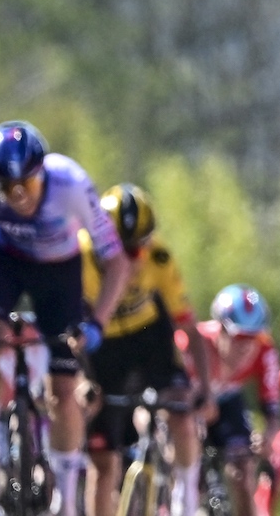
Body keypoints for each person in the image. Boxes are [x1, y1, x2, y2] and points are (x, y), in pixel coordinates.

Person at [0, 121, 130, 516]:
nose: (20, 196)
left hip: (59, 273)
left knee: (63, 388)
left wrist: (98, 323)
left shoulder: (70, 183)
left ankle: (65, 500)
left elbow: (117, 263)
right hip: (4, 262)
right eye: (8, 188)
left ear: (43, 172)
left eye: (29, 184)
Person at [80, 183, 212, 516]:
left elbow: (188, 327)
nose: (134, 259)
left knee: (181, 412)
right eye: (125, 250)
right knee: (102, 458)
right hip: (102, 349)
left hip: (149, 337)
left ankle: (186, 500)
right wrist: (83, 380)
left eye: (140, 247)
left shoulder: (160, 258)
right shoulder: (79, 257)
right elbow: (69, 331)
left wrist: (204, 389)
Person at [181, 285, 280, 516]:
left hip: (228, 403)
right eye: (239, 337)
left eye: (253, 338)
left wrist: (269, 435)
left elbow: (272, 405)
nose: (246, 347)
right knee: (181, 453)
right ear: (220, 330)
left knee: (242, 472)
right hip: (191, 405)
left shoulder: (265, 351)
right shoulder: (191, 344)